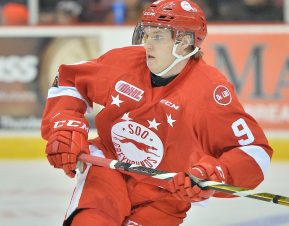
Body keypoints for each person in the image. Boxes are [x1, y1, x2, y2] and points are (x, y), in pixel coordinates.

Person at [41, 0, 273, 225]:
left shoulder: (210, 91)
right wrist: (65, 125)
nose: (147, 44)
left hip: (165, 194)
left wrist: (212, 175)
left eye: (158, 36)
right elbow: (69, 80)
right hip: (107, 169)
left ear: (184, 42)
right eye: (147, 34)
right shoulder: (124, 61)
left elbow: (254, 152)